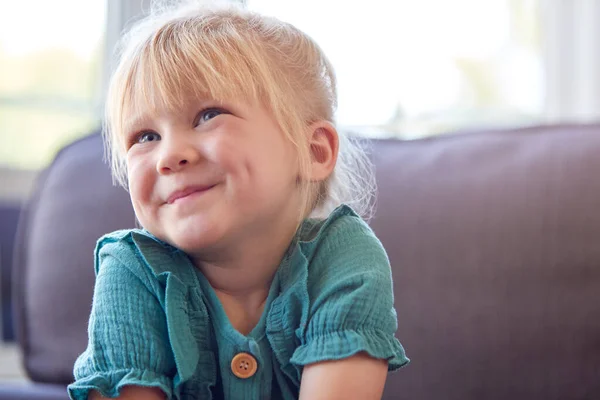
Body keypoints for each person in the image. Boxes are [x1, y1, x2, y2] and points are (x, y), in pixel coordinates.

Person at [67, 1, 408, 399]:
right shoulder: (132, 271)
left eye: (208, 115)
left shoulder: (345, 256)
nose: (168, 155)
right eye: (145, 137)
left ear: (313, 152)